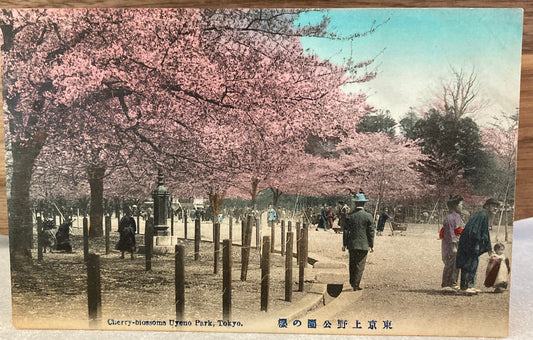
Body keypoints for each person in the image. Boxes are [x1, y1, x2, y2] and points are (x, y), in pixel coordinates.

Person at [456, 198, 500, 295]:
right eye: (493, 206)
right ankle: (464, 287)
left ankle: (470, 286)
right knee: (468, 264)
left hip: (474, 243)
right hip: (470, 243)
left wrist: (488, 247)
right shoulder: (482, 215)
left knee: (474, 263)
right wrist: (481, 246)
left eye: (497, 206)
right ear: (487, 206)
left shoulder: (485, 216)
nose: (496, 208)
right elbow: (475, 231)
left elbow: (484, 233)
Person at [342, 191, 375, 291]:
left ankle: (352, 282)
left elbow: (346, 231)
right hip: (364, 244)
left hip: (352, 244)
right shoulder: (368, 216)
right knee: (360, 264)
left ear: (355, 203)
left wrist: (344, 243)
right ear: (364, 203)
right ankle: (356, 284)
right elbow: (371, 232)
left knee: (352, 263)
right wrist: (371, 244)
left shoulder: (350, 216)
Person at [440, 195, 464, 292]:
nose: (462, 206)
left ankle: (453, 282)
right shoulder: (450, 218)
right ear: (455, 205)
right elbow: (450, 234)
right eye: (461, 204)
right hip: (451, 245)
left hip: (458, 243)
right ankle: (446, 284)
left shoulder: (458, 217)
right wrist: (453, 246)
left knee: (456, 264)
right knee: (450, 263)